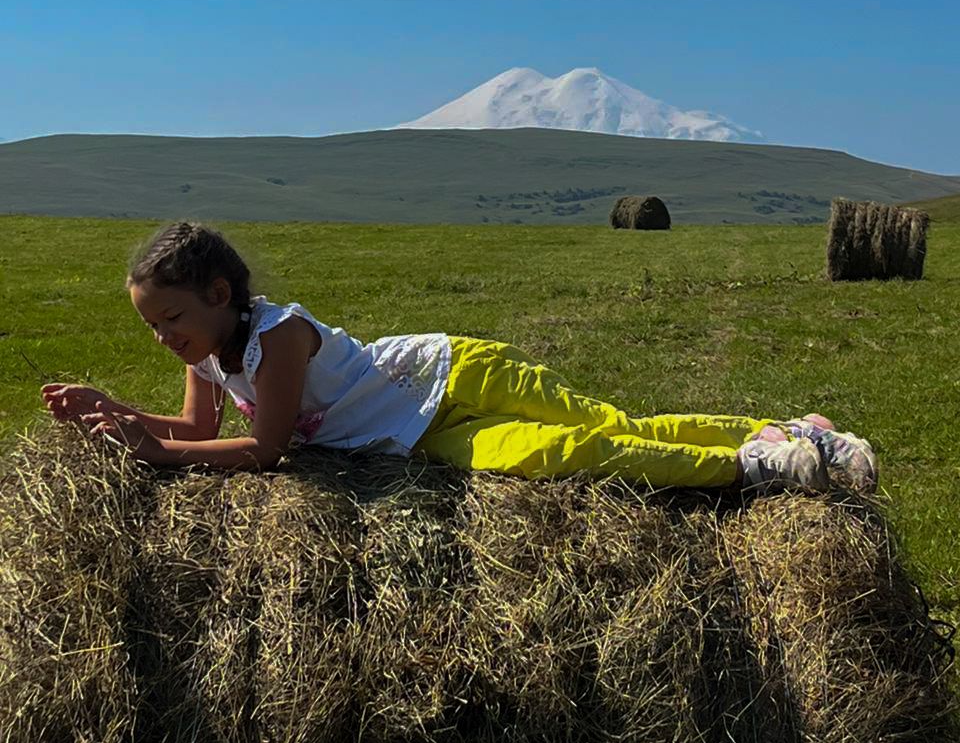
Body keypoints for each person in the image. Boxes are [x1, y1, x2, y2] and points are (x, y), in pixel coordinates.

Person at [40, 222, 878, 494]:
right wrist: (115, 412)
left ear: (219, 293)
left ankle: (785, 439)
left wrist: (158, 453)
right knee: (570, 456)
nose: (164, 337)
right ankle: (749, 466)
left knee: (606, 419)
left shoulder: (275, 338)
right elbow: (192, 427)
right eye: (152, 326)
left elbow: (268, 451)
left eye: (171, 318)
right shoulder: (212, 354)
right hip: (416, 437)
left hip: (453, 375)